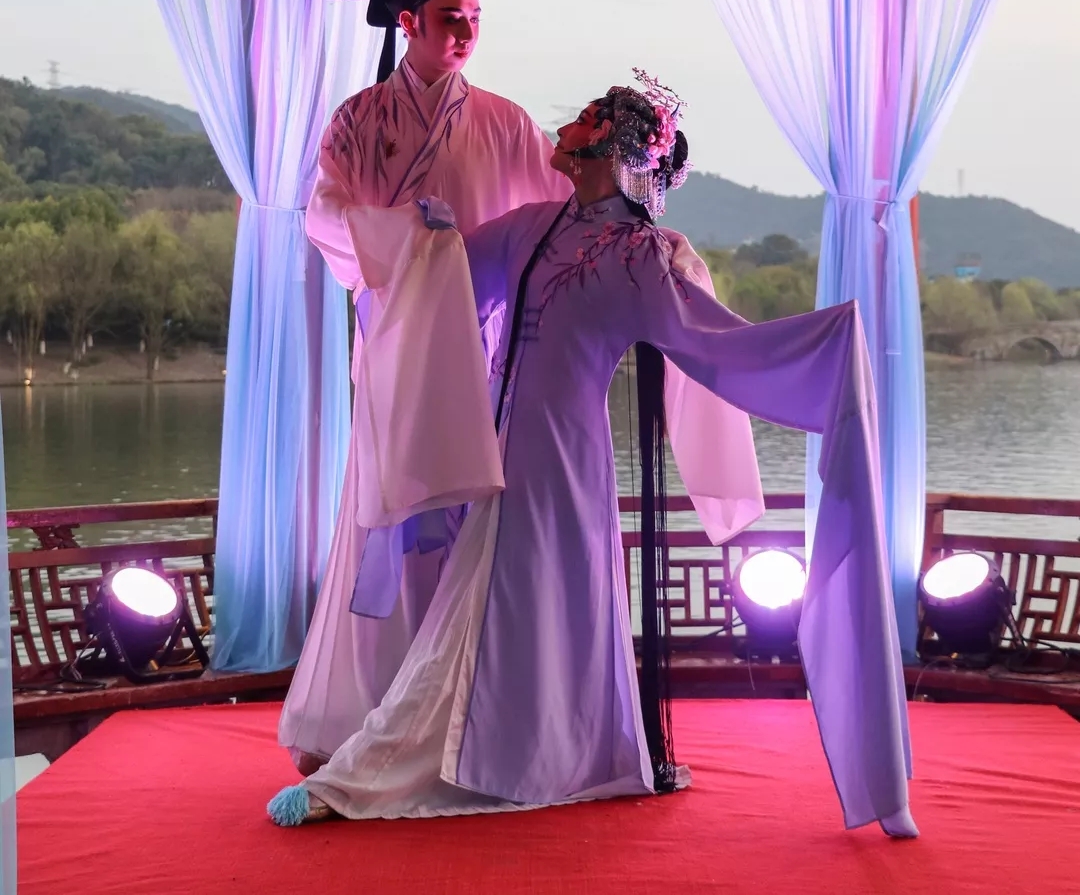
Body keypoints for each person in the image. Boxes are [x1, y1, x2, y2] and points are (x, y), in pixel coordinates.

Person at [268, 72, 915, 836]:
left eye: (583, 119)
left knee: (488, 610)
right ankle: (513, 756)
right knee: (483, 612)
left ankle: (382, 773)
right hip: (502, 447)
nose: (565, 125)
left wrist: (823, 346)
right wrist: (420, 237)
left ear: (614, 148)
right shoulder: (535, 225)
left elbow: (717, 344)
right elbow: (448, 275)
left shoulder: (643, 256)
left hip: (563, 459)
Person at [279, 0, 565, 773]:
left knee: (474, 525)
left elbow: (559, 209)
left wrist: (635, 177)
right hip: (397, 348)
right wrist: (405, 231)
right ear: (407, 21)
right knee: (392, 514)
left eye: (473, 16)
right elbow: (325, 213)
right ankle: (367, 713)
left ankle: (471, 715)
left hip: (484, 352)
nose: (464, 32)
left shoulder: (506, 123)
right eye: (448, 17)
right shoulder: (360, 120)